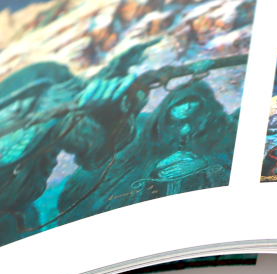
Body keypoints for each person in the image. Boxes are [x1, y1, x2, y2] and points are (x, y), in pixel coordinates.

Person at [0, 57, 145, 246]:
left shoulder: (55, 88)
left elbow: (95, 152)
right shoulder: (32, 105)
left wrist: (111, 111)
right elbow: (8, 151)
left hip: (18, 219)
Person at [58, 80, 238, 220]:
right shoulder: (145, 129)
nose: (187, 107)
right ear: (168, 105)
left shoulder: (218, 127)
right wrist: (156, 166)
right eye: (180, 103)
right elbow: (122, 166)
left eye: (193, 102)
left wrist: (203, 163)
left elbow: (232, 154)